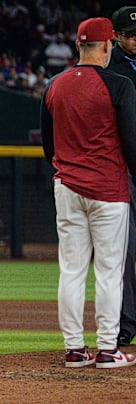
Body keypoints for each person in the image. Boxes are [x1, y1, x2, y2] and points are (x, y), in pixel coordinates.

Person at [40, 17, 136, 368]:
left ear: (79, 46)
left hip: (67, 186)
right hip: (108, 189)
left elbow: (47, 145)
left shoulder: (54, 84)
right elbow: (131, 141)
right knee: (110, 271)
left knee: (71, 269)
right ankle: (108, 348)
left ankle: (74, 349)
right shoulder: (119, 85)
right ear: (108, 45)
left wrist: (66, 168)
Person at [108, 6, 136, 348]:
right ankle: (126, 321)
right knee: (125, 249)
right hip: (122, 167)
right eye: (131, 35)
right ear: (115, 36)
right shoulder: (107, 68)